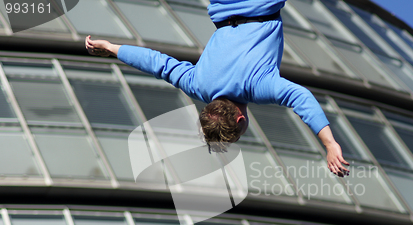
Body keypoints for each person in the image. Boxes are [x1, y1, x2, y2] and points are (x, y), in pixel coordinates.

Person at [85, 0, 350, 177]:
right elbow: (158, 64)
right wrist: (112, 48)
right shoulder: (198, 85)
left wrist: (330, 144)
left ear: (240, 119)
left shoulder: (256, 87)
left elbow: (300, 96)